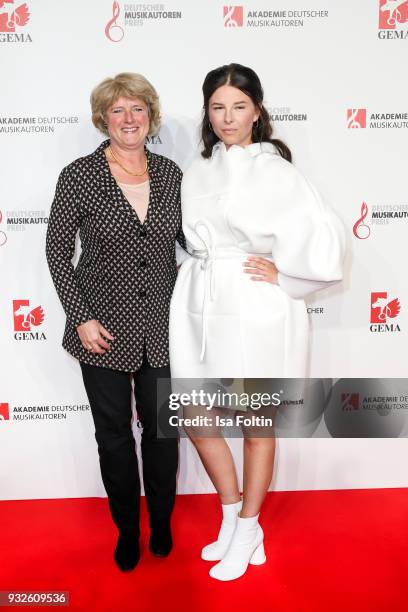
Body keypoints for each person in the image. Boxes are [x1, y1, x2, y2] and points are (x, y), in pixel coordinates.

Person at [169, 63, 345, 581]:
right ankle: (231, 513)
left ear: (257, 111)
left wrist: (286, 275)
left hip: (255, 304)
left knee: (254, 421)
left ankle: (248, 527)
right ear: (207, 111)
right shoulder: (197, 169)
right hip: (199, 300)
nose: (227, 117)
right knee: (198, 415)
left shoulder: (277, 171)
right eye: (218, 106)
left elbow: (325, 238)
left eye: (238, 106)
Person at [46, 73, 186, 572]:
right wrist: (80, 316)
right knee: (114, 437)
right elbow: (58, 252)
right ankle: (127, 528)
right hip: (99, 330)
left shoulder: (171, 174)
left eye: (138, 109)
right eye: (118, 111)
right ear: (103, 118)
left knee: (162, 434)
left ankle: (162, 522)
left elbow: (193, 243)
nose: (129, 119)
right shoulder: (79, 175)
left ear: (151, 115)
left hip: (161, 329)